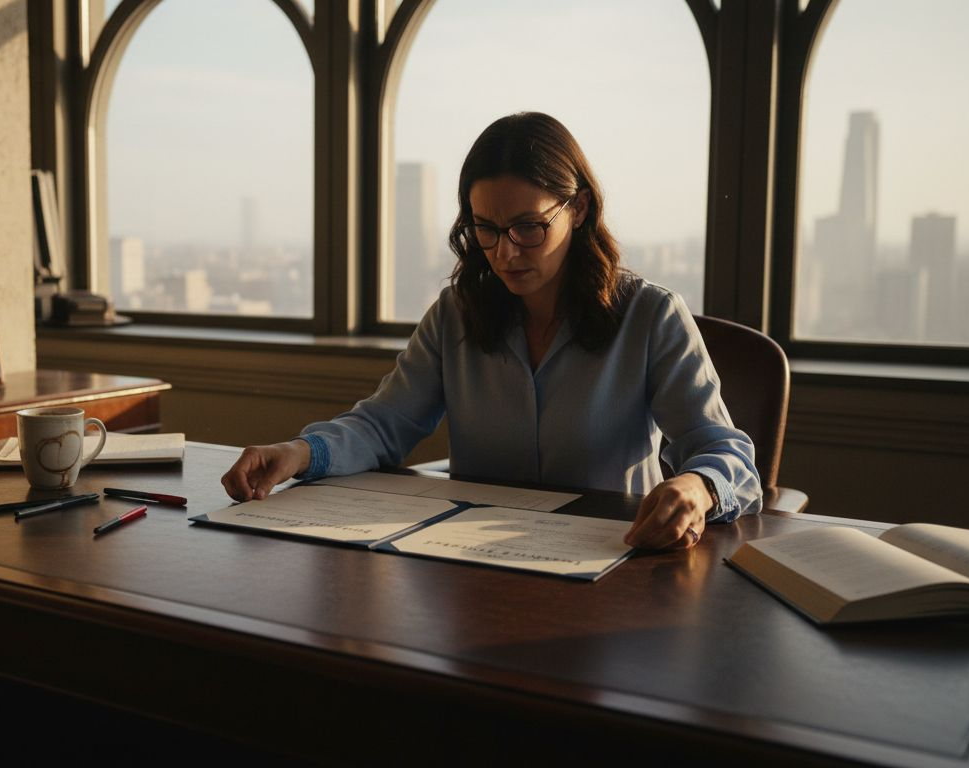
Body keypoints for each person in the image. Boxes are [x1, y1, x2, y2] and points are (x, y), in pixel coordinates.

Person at [221, 112, 761, 550]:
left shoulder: (651, 316)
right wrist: (298, 453)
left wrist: (697, 486)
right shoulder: (456, 313)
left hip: (613, 565)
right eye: (486, 228)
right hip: (475, 567)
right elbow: (384, 426)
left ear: (577, 209)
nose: (505, 252)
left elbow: (726, 453)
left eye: (529, 226)